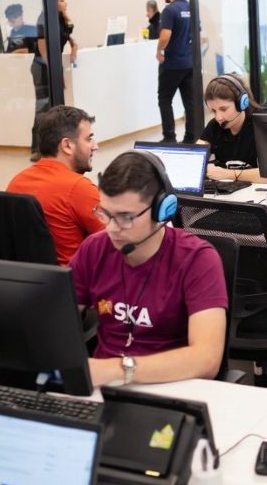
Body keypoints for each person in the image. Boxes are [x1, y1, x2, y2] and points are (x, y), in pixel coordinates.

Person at [70, 150, 227, 387]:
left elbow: (207, 360)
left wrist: (118, 370)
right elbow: (54, 320)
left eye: (125, 217)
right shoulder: (94, 249)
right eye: (105, 214)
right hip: (103, 389)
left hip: (172, 388)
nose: (112, 228)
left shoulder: (197, 259)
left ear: (161, 210)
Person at [7, 106, 102, 266]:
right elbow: (116, 240)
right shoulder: (79, 188)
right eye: (88, 139)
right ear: (67, 146)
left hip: (31, 283)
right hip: (75, 284)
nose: (95, 146)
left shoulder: (16, 183)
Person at [197, 73, 267, 183]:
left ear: (242, 103)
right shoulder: (215, 125)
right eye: (213, 111)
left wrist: (227, 174)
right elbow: (194, 159)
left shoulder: (263, 123)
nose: (218, 117)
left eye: (223, 109)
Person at [31, 0, 78, 161]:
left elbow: (68, 37)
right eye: (62, 0)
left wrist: (74, 47)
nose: (65, 3)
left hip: (54, 65)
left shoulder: (60, 19)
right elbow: (43, 49)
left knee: (57, 106)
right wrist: (54, 71)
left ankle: (55, 145)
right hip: (42, 66)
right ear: (53, 2)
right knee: (43, 108)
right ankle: (37, 149)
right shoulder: (43, 18)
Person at [156, 0, 195, 144]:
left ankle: (169, 137)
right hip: (189, 63)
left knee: (164, 99)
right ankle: (191, 137)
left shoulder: (169, 10)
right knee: (190, 102)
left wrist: (159, 50)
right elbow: (201, 37)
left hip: (172, 64)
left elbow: (165, 35)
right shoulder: (190, 8)